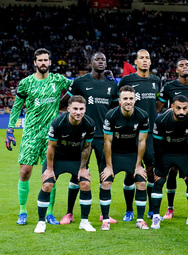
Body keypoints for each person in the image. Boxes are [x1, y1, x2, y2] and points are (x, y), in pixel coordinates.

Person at [5, 48, 73, 225]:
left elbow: (76, 87)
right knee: (25, 172)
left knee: (51, 175)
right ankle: (22, 211)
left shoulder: (58, 80)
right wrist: (10, 129)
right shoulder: (26, 83)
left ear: (50, 62)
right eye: (40, 60)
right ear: (34, 63)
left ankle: (50, 213)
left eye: (46, 60)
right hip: (30, 134)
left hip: (51, 136)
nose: (43, 63)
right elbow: (17, 106)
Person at [59, 52, 119, 225]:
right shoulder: (80, 82)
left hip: (103, 137)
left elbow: (115, 109)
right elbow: (63, 103)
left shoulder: (111, 85)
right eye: (97, 59)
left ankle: (104, 214)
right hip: (82, 137)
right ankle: (69, 213)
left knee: (105, 175)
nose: (100, 62)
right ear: (90, 62)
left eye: (103, 59)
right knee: (76, 174)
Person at [34, 96, 96, 233]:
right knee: (47, 184)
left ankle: (84, 222)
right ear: (68, 109)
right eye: (75, 109)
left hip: (75, 159)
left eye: (81, 109)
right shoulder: (58, 123)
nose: (78, 112)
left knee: (85, 183)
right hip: (58, 159)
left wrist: (83, 168)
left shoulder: (89, 124)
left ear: (85, 109)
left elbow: (87, 147)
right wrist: (49, 169)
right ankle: (41, 222)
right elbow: (51, 147)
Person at [156, 58, 188, 219]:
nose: (184, 67)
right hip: (173, 136)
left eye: (187, 65)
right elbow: (159, 108)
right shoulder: (169, 87)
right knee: (172, 170)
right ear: (176, 70)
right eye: (181, 65)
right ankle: (170, 207)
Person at [118, 49, 161, 221]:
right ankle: (129, 210)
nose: (145, 60)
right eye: (141, 58)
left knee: (150, 171)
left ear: (150, 62)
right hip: (131, 134)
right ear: (135, 62)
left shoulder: (156, 80)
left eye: (147, 58)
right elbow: (119, 102)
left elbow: (158, 104)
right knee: (131, 172)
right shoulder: (127, 80)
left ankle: (151, 209)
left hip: (150, 133)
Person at [100, 85, 149, 230]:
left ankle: (140, 220)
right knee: (106, 183)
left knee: (141, 183)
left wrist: (139, 165)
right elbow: (107, 142)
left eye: (131, 98)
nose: (128, 101)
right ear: (120, 101)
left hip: (131, 154)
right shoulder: (111, 115)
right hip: (113, 154)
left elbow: (142, 141)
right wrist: (109, 167)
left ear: (135, 100)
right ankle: (106, 220)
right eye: (125, 98)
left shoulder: (142, 115)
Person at [151, 95, 188, 229]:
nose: (181, 111)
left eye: (184, 108)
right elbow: (157, 146)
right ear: (172, 107)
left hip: (182, 152)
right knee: (159, 180)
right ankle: (156, 217)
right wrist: (158, 167)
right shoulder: (161, 120)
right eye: (178, 108)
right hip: (165, 152)